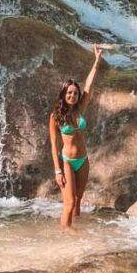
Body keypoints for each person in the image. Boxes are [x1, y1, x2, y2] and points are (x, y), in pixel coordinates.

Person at [49, 44, 103, 228]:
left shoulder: (80, 108)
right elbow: (53, 145)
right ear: (64, 95)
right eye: (69, 93)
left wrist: (96, 60)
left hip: (83, 160)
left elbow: (89, 83)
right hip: (67, 162)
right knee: (69, 203)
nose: (73, 95)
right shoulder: (56, 116)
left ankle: (76, 230)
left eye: (75, 93)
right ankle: (65, 235)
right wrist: (57, 171)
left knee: (79, 200)